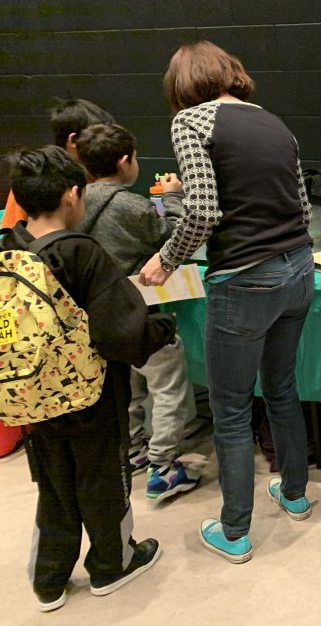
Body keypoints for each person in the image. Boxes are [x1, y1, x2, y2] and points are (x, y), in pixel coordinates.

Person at [138, 41, 315, 564]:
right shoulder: (272, 121)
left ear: (181, 84)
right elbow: (301, 204)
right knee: (282, 387)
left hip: (244, 278)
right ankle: (295, 493)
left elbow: (204, 209)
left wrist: (166, 260)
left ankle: (235, 530)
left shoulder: (191, 122)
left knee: (231, 409)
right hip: (299, 268)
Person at [2, 146, 175, 611]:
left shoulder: (10, 248)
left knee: (54, 484)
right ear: (71, 196)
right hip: (89, 393)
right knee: (102, 477)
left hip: (33, 394)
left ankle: (49, 578)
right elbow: (123, 333)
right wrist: (164, 326)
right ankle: (111, 564)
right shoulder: (81, 253)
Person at [74, 123, 201, 502]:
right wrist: (175, 197)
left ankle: (133, 449)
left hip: (99, 319)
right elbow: (176, 237)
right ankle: (163, 468)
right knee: (167, 386)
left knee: (126, 388)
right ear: (125, 160)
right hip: (139, 317)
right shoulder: (130, 205)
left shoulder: (75, 203)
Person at [2, 98, 115, 229]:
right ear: (73, 140)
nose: (106, 146)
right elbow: (11, 231)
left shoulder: (99, 177)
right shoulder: (33, 177)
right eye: (97, 139)